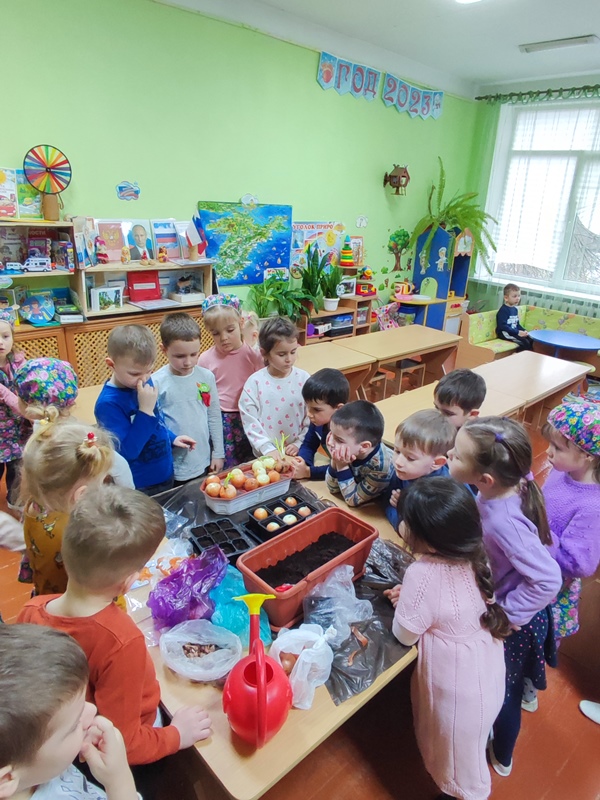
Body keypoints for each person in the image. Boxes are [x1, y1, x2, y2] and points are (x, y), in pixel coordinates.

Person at [18, 485, 212, 766]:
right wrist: (177, 735)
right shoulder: (121, 642)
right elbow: (125, 745)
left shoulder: (31, 610)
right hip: (131, 744)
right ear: (129, 582)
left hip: (72, 738)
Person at [448, 416, 561, 776]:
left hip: (514, 624)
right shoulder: (505, 488)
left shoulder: (504, 522)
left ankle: (503, 753)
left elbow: (547, 580)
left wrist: (506, 615)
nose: (448, 454)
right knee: (508, 684)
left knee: (503, 694)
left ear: (486, 479)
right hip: (510, 605)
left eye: (456, 455)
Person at [387, 478, 509, 800]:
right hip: (487, 675)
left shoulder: (422, 574)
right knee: (470, 749)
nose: (401, 525)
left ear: (427, 539)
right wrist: (411, 600)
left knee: (458, 767)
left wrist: (406, 604)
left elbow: (404, 635)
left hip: (456, 694)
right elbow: (450, 607)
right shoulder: (476, 554)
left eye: (406, 521)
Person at [517, 401, 600, 713]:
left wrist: (540, 532)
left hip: (552, 587)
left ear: (588, 454)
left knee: (534, 640)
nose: (549, 453)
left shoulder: (593, 505)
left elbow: (581, 564)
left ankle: (527, 691)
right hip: (531, 567)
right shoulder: (562, 472)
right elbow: (545, 503)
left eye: (558, 448)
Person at [0, 624, 138, 800]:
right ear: (6, 779)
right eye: (73, 726)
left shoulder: (37, 769)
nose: (93, 710)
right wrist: (119, 781)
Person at [18, 418, 114, 596]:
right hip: (71, 603)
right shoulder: (78, 533)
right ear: (81, 495)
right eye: (103, 481)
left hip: (44, 594)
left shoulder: (35, 503)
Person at [95, 325, 195, 495]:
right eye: (134, 374)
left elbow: (157, 422)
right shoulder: (108, 405)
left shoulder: (144, 381)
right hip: (141, 484)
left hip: (165, 473)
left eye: (149, 371)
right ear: (111, 364)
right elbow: (127, 453)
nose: (143, 379)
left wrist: (172, 437)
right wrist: (145, 411)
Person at [14, 356, 134, 489]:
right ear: (71, 402)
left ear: (26, 403)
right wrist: (127, 495)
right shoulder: (83, 434)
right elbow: (121, 468)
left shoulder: (66, 436)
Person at [152, 312, 224, 484]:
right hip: (172, 465)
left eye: (193, 354)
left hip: (203, 460)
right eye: (180, 356)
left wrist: (218, 453)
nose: (188, 362)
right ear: (164, 350)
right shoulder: (156, 382)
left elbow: (213, 416)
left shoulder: (206, 377)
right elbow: (154, 424)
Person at [198, 295, 263, 468]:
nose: (224, 338)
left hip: (249, 415)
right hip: (222, 420)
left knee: (253, 463)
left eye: (230, 330)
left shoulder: (253, 356)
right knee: (229, 468)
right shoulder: (205, 360)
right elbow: (202, 394)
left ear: (241, 323)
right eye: (216, 333)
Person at [239, 316, 309, 462]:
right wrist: (267, 448)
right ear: (264, 353)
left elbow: (311, 416)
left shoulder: (304, 379)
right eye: (281, 354)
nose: (289, 359)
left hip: (298, 452)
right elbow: (250, 420)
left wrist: (300, 442)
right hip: (266, 456)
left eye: (293, 352)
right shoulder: (255, 383)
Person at [381, 409, 455, 530]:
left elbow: (434, 532)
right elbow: (387, 501)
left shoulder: (443, 494)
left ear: (436, 463)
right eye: (397, 451)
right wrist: (399, 522)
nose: (398, 462)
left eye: (410, 458)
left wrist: (404, 510)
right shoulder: (403, 472)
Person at [325, 400, 394, 507]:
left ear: (364, 446)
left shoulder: (381, 468)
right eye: (331, 434)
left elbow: (352, 500)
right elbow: (333, 489)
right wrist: (335, 462)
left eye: (338, 439)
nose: (330, 442)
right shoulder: (349, 450)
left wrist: (341, 466)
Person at [293, 368, 350, 480]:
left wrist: (309, 472)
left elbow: (345, 468)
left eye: (316, 410)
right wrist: (302, 461)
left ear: (339, 409)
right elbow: (309, 444)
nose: (309, 414)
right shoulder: (318, 422)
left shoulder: (349, 433)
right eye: (307, 407)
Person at [0, 309, 29, 508]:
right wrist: (26, 410)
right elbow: (8, 397)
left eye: (5, 336)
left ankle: (15, 503)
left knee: (16, 469)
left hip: (17, 430)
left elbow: (29, 385)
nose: (1, 342)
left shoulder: (19, 363)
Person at [495, 283, 533, 352]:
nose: (518, 298)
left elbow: (517, 324)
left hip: (514, 332)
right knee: (525, 342)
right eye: (514, 296)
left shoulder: (515, 310)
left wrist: (524, 331)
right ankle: (516, 356)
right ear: (506, 298)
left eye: (519, 296)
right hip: (505, 333)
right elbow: (502, 326)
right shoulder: (503, 310)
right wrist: (517, 332)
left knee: (531, 339)